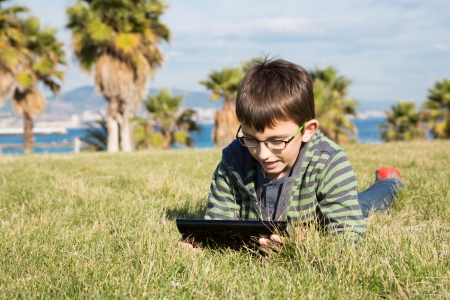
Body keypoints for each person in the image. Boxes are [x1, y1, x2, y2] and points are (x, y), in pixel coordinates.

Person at [180, 58, 404, 251]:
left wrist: (296, 250)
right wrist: (201, 243)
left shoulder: (329, 161)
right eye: (251, 139)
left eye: (277, 141)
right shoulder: (234, 159)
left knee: (363, 204)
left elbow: (349, 236)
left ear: (308, 130)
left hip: (326, 214)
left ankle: (389, 181)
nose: (263, 153)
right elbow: (218, 224)